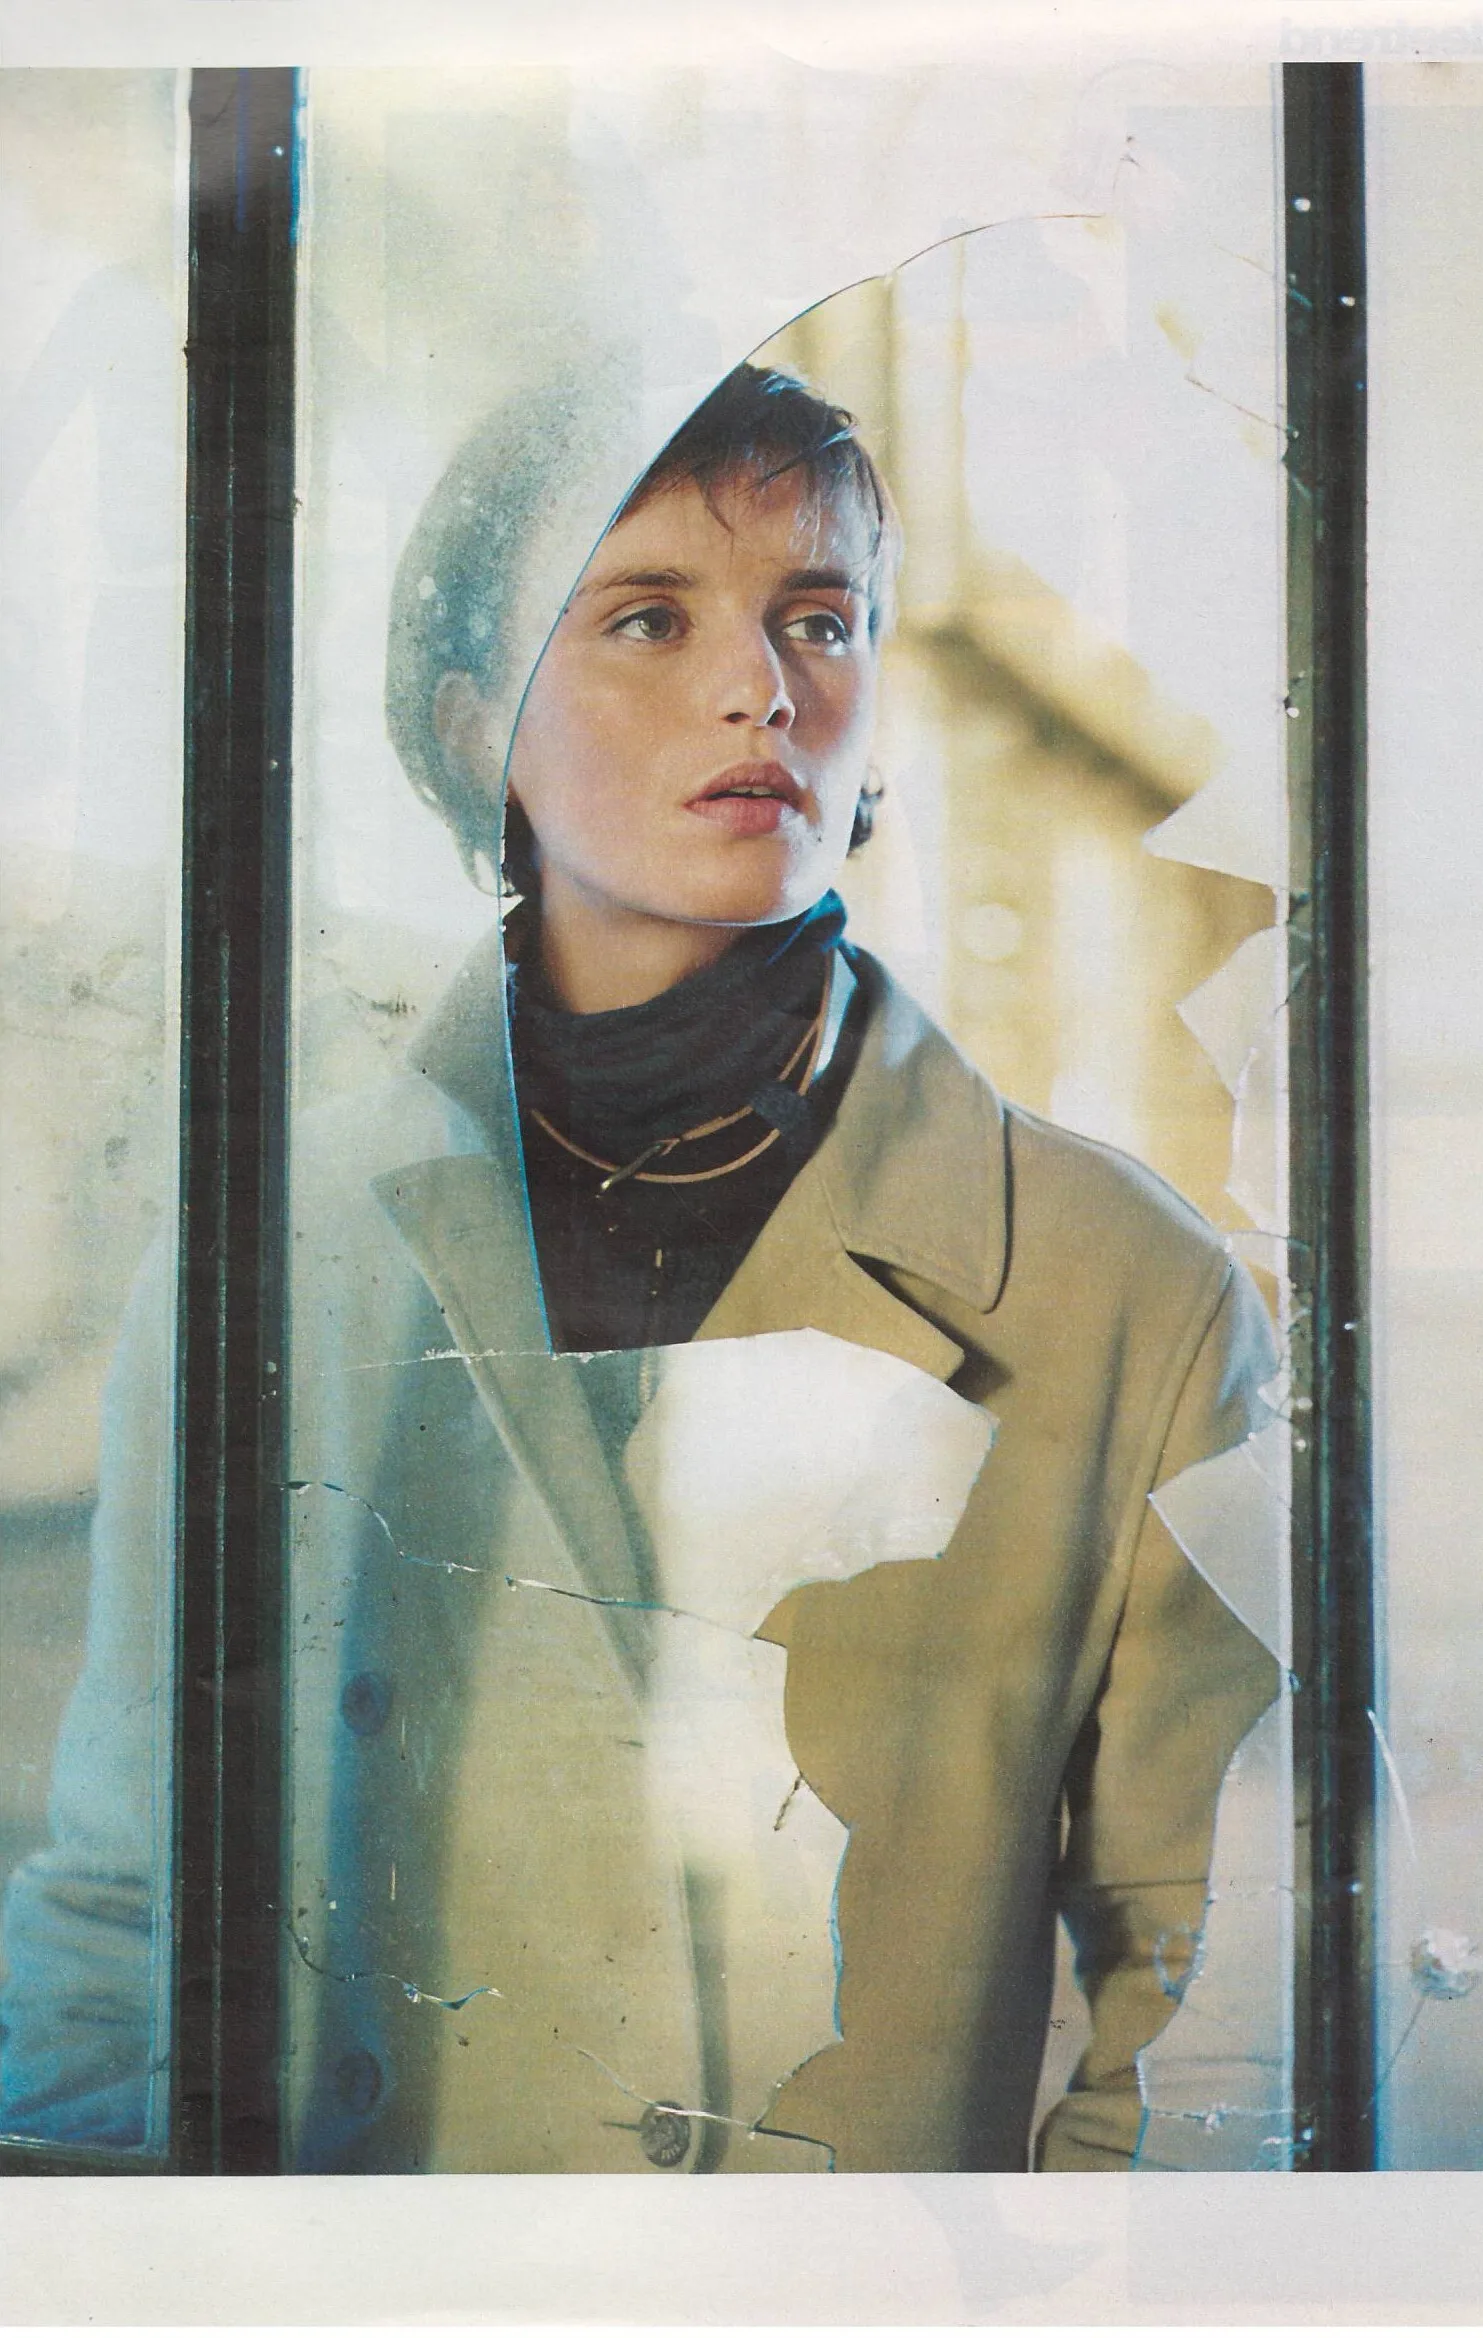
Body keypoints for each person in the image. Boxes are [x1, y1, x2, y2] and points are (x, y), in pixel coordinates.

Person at [2, 363, 1280, 2175]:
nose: (762, 686)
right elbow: (125, 1925)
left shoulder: (1128, 1289)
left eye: (817, 618)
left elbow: (1201, 2009)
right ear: (476, 729)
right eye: (649, 617)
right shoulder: (271, 1259)